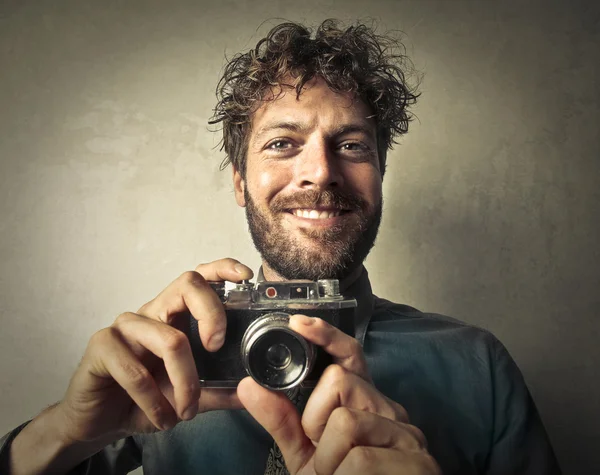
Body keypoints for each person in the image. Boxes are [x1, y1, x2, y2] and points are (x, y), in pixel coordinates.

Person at [0, 19, 561, 475]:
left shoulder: (478, 367)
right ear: (240, 182)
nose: (320, 171)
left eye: (351, 145)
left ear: (380, 174)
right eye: (282, 143)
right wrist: (67, 431)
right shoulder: (172, 358)